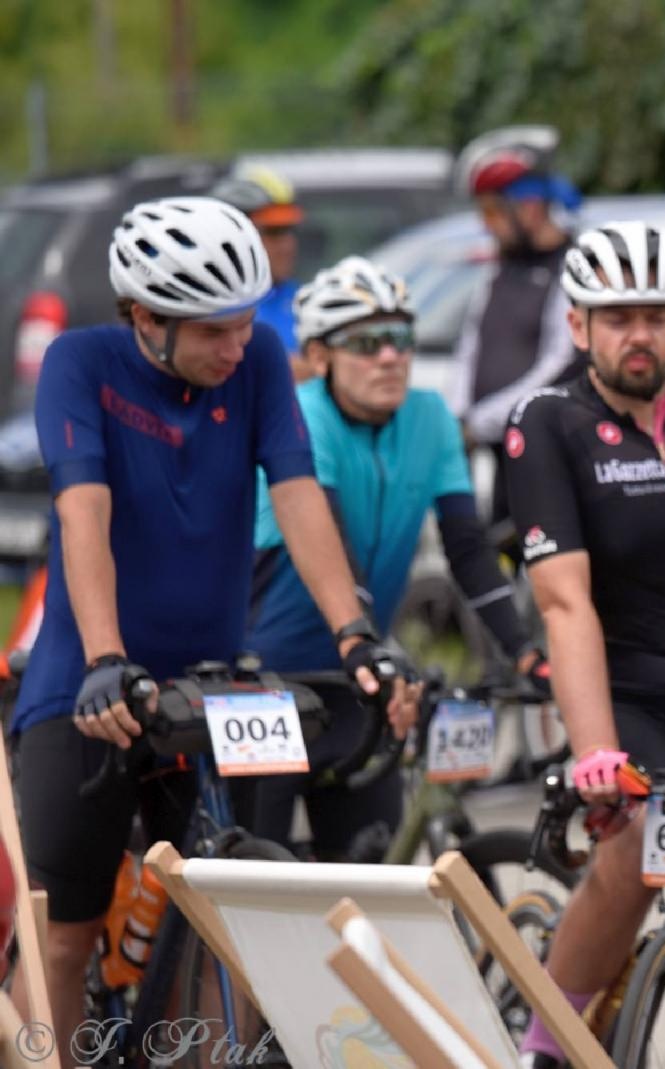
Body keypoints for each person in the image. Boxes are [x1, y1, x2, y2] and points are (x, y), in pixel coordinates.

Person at [13, 197, 401, 1039]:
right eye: (212, 330)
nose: (239, 344)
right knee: (62, 939)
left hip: (210, 683)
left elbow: (296, 494)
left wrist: (354, 633)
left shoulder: (258, 356)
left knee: (229, 924)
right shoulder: (81, 364)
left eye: (242, 324)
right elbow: (84, 512)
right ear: (147, 317)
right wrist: (106, 657)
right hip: (95, 684)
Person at [504, 222, 665, 1069]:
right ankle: (547, 1045)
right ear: (579, 327)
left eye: (654, 315)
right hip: (630, 698)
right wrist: (595, 754)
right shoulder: (549, 422)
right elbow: (565, 601)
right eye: (616, 318)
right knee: (629, 850)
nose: (638, 335)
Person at [244, 255, 545, 860]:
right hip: (266, 684)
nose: (391, 356)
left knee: (366, 872)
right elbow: (335, 551)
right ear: (321, 356)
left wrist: (525, 651)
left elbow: (467, 548)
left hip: (359, 676)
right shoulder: (302, 417)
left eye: (402, 338)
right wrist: (374, 653)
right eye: (368, 342)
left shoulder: (429, 417)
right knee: (252, 874)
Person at [451, 125, 584, 524]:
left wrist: (480, 422)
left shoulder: (573, 265)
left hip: (545, 452)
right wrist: (455, 415)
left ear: (528, 206)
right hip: (494, 454)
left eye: (492, 211)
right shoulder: (501, 265)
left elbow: (561, 363)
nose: (485, 225)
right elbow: (472, 346)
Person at [210, 164, 312, 379]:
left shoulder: (304, 299)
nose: (288, 245)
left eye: (289, 231)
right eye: (273, 232)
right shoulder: (203, 305)